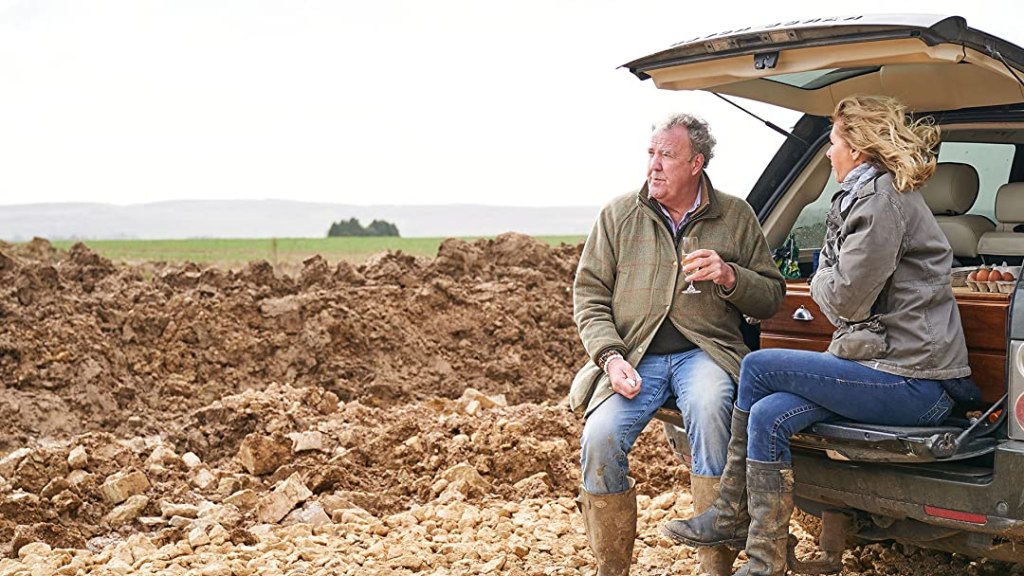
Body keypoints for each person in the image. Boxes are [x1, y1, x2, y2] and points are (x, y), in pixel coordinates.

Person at [661, 94, 979, 576]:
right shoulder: (865, 196)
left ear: (856, 146)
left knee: (757, 365)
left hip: (915, 383)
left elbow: (843, 300)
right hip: (882, 368)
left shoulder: (880, 201)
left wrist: (817, 275)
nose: (829, 152)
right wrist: (829, 273)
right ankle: (764, 562)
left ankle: (730, 511)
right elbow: (847, 288)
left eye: (832, 142)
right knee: (767, 413)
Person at [571, 113, 786, 576]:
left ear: (696, 163)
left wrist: (731, 276)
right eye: (651, 153)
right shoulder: (618, 216)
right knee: (599, 437)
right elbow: (588, 297)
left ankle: (716, 567)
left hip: (705, 352)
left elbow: (771, 296)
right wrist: (609, 357)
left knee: (713, 409)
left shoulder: (735, 215)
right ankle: (612, 569)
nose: (654, 165)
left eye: (667, 155)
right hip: (632, 356)